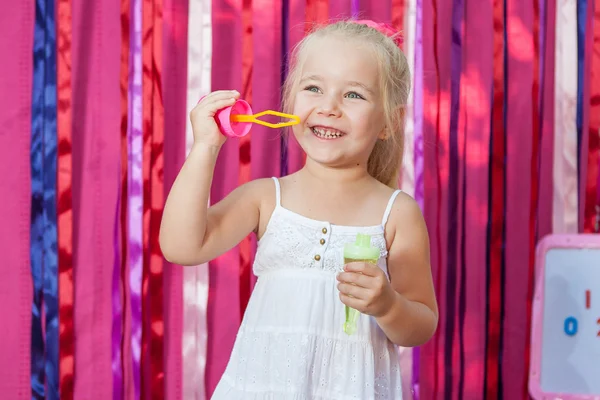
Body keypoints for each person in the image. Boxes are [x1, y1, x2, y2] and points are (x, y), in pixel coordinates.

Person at [159, 19, 438, 399]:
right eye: (313, 88)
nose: (329, 107)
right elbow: (181, 246)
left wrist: (387, 305)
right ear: (290, 104)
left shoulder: (397, 213)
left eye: (353, 95)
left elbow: (421, 325)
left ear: (389, 122)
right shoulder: (266, 198)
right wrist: (205, 147)